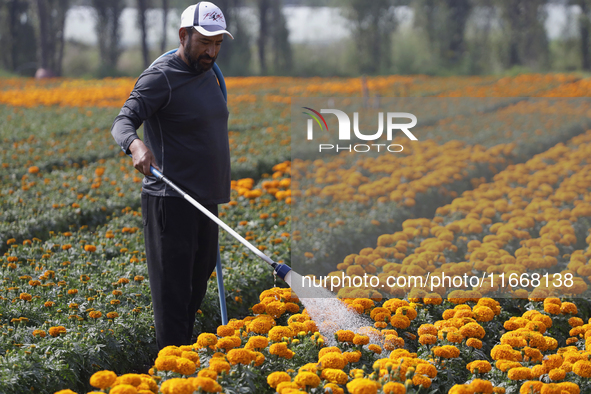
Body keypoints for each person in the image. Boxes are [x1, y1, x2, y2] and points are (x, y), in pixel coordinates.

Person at [110, 1, 234, 350]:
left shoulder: (210, 72)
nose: (212, 51)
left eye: (218, 43)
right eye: (205, 42)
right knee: (173, 296)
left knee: (196, 285)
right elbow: (122, 122)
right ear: (184, 35)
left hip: (205, 200)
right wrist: (136, 146)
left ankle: (183, 357)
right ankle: (171, 367)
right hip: (170, 201)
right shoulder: (161, 76)